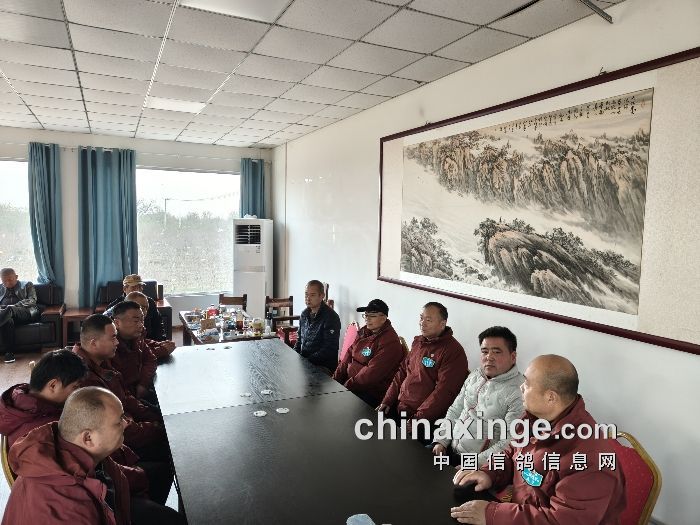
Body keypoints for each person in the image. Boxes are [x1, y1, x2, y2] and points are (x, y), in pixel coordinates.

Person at [450, 355, 626, 525]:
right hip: (523, 511)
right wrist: (490, 473)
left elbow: (562, 520)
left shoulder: (590, 458)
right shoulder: (535, 419)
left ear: (550, 397)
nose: (521, 387)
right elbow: (512, 452)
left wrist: (493, 514)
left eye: (527, 384)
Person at [2, 387, 184, 525]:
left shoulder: (75, 449)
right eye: (118, 421)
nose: (126, 423)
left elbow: (117, 477)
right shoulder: (69, 508)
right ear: (88, 437)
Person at [73, 314, 167, 457]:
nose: (117, 342)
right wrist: (158, 429)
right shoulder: (83, 379)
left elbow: (125, 397)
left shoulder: (101, 360)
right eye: (113, 338)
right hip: (118, 447)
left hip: (129, 425)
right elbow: (118, 429)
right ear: (94, 343)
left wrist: (156, 417)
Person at [432, 326, 524, 467]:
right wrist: (441, 441)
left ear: (513, 357)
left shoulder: (519, 392)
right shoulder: (475, 375)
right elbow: (455, 409)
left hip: (477, 463)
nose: (489, 357)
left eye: (496, 352)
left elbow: (509, 442)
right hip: (449, 447)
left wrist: (472, 464)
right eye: (485, 351)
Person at [377, 302, 468, 439]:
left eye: (428, 320)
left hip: (423, 420)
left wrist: (417, 420)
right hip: (400, 406)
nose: (422, 323)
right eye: (421, 318)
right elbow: (402, 371)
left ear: (442, 324)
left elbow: (443, 393)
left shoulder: (453, 352)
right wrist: (388, 400)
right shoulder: (418, 342)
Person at [0, 349, 87, 446]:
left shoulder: (19, 401)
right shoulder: (44, 431)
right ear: (53, 385)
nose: (78, 391)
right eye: (75, 386)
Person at [333, 299, 404, 407]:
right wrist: (335, 379)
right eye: (366, 315)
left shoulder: (390, 342)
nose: (367, 319)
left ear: (383, 318)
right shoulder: (364, 331)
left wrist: (345, 387)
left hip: (370, 391)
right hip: (351, 383)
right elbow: (349, 354)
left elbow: (371, 374)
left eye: (372, 316)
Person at [111, 301, 158, 401]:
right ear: (117, 323)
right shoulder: (110, 347)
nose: (141, 325)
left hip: (138, 392)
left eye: (142, 320)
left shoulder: (136, 337)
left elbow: (150, 359)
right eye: (136, 321)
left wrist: (143, 384)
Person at [294, 280, 341, 372]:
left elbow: (329, 349)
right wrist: (294, 356)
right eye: (306, 294)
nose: (308, 298)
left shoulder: (331, 317)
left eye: (312, 295)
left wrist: (306, 362)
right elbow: (299, 340)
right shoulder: (304, 314)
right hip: (305, 362)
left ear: (322, 296)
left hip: (323, 366)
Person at [107, 274, 166, 341]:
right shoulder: (115, 306)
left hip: (149, 339)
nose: (138, 290)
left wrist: (161, 341)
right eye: (134, 287)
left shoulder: (149, 302)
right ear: (125, 289)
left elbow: (158, 324)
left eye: (140, 287)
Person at [0, 268, 39, 364]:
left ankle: (7, 312)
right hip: (6, 315)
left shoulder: (27, 285)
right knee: (8, 321)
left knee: (10, 309)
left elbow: (32, 300)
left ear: (16, 277)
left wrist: (14, 306)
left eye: (10, 280)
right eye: (4, 281)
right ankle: (9, 353)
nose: (7, 283)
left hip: (26, 312)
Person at [124, 291, 176, 358]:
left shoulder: (140, 325)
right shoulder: (124, 327)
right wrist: (163, 350)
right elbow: (134, 356)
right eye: (141, 307)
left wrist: (159, 344)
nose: (144, 312)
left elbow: (142, 343)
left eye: (146, 308)